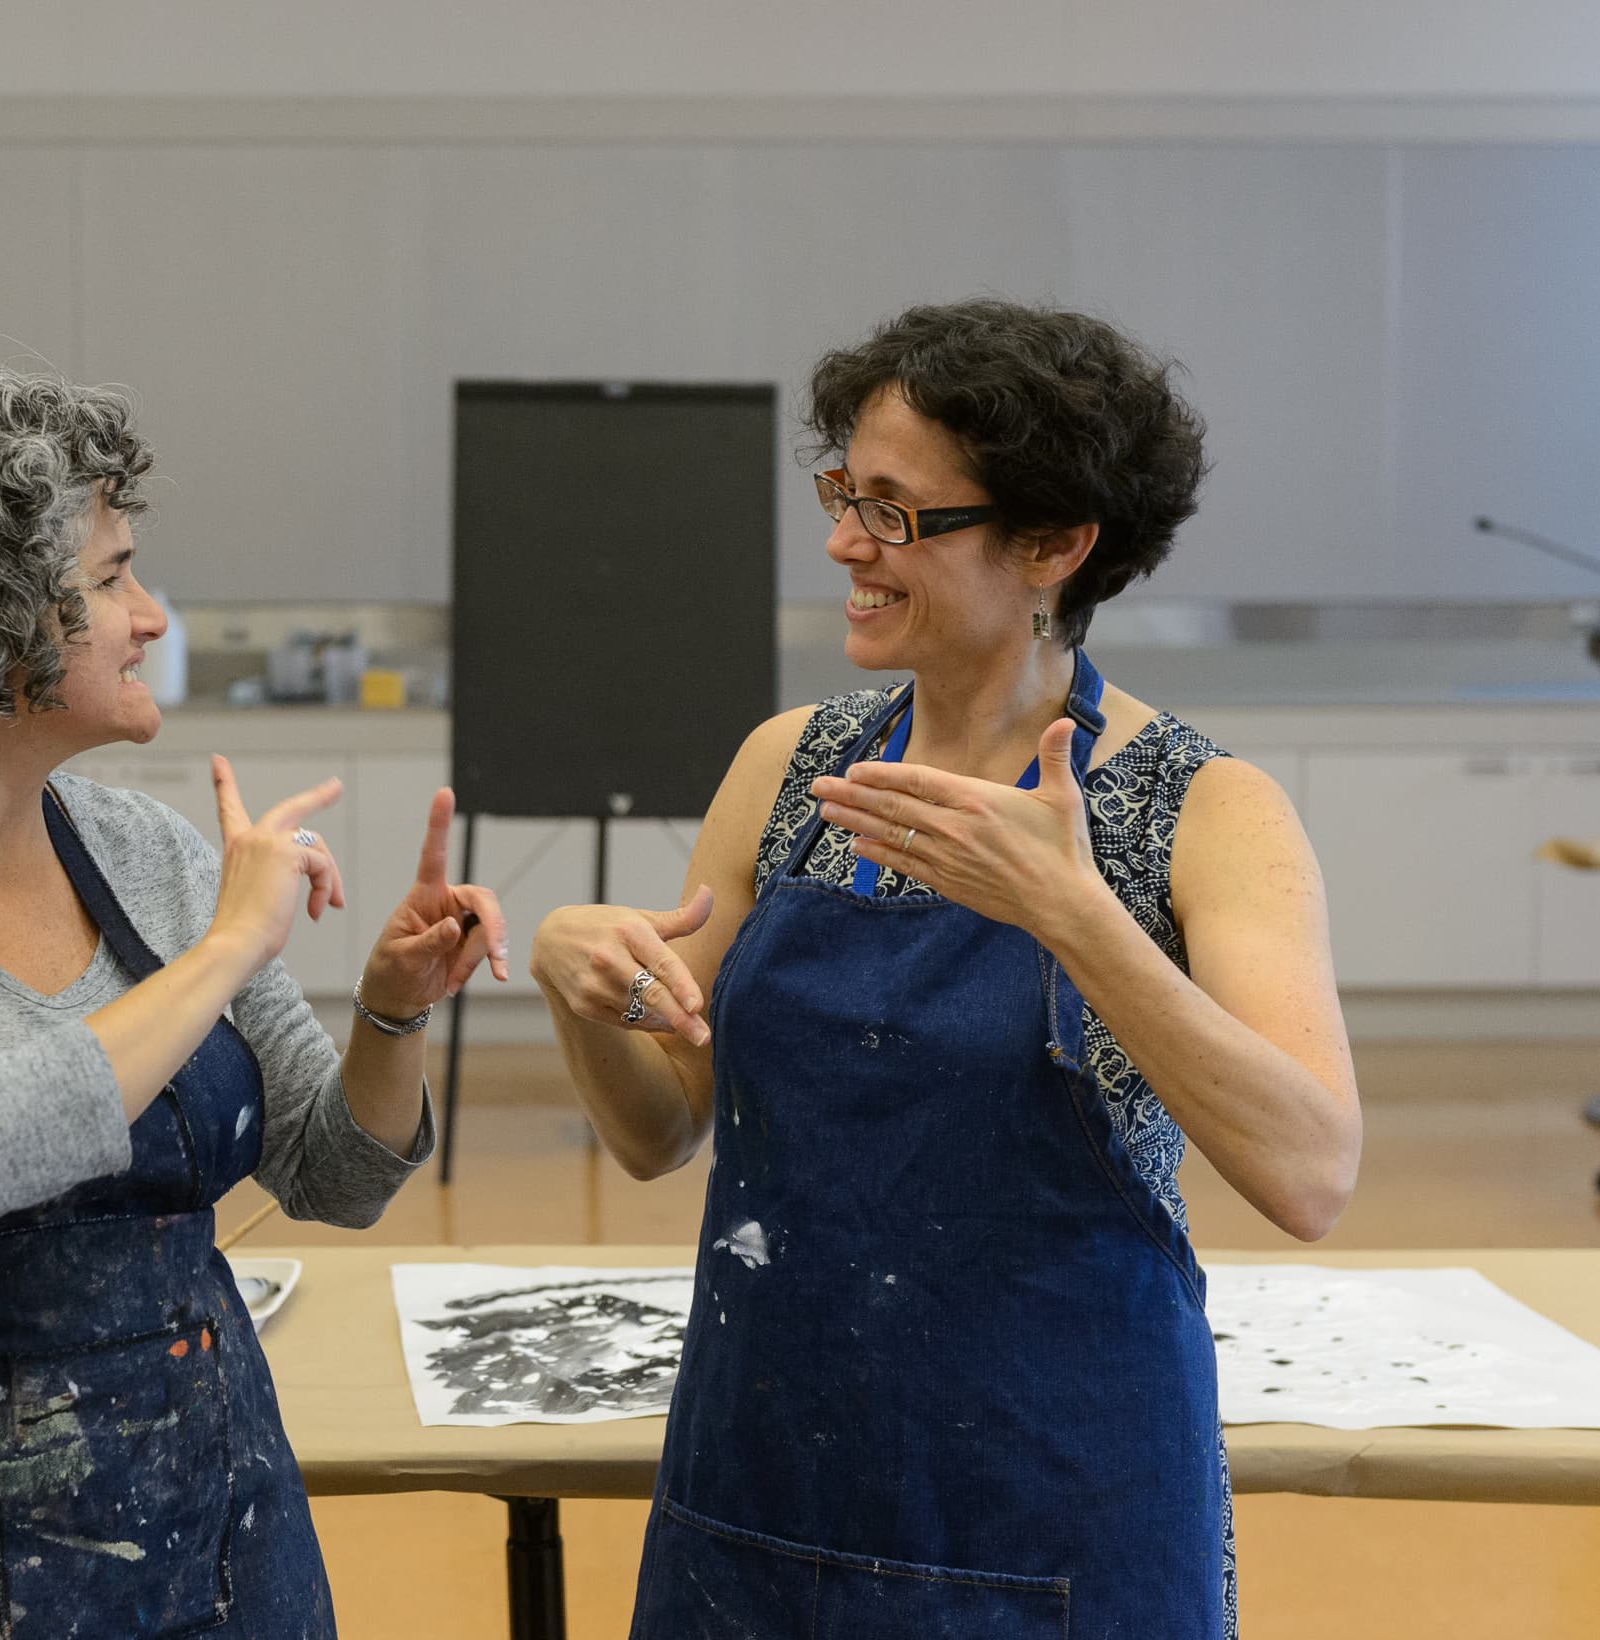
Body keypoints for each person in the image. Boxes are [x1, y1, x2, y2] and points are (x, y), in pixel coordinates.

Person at [530, 299, 1362, 1639]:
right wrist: (582, 993)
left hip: (1055, 1500)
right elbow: (662, 1130)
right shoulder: (792, 767)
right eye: (845, 495)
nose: (846, 544)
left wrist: (1077, 919)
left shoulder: (1204, 811)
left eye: (900, 514)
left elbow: (1311, 1168)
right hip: (761, 1479)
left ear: (1053, 543)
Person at [0, 362, 503, 1638]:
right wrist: (226, 951)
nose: (150, 615)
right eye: (113, 576)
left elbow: (335, 1170)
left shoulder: (153, 856)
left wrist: (391, 1010)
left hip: (213, 1540)